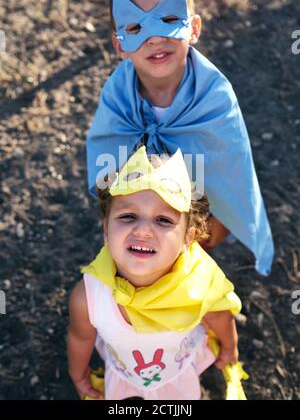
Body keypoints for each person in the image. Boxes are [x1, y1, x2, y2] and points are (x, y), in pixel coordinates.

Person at [86, 0, 274, 275]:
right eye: (135, 27)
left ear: (194, 28)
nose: (156, 38)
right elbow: (107, 165)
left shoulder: (213, 96)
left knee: (201, 245)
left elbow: (228, 170)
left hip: (199, 212)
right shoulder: (117, 95)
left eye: (170, 20)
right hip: (143, 211)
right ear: (120, 45)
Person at [68, 146, 248, 400]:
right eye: (128, 216)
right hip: (124, 369)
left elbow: (220, 316)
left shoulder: (198, 285)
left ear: (188, 237)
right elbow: (80, 337)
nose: (143, 230)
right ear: (106, 230)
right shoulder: (88, 297)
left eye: (163, 220)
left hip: (177, 370)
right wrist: (78, 374)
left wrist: (230, 348)